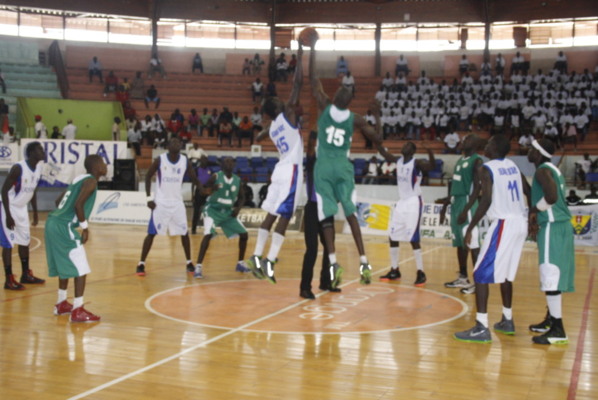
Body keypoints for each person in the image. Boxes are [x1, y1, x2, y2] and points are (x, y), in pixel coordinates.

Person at [309, 33, 382, 289]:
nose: (341, 87)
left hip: (324, 167)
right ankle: (363, 261)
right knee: (351, 215)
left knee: (326, 216)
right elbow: (379, 139)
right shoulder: (357, 119)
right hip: (343, 166)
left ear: (340, 97)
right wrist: (379, 116)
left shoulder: (324, 105)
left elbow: (312, 80)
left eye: (343, 89)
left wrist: (312, 49)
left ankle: (333, 261)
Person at [454, 135, 530, 343]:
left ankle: (481, 326)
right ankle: (507, 319)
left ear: (495, 147)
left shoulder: (487, 169)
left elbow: (485, 201)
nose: (485, 146)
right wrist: (531, 217)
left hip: (504, 223)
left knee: (479, 273)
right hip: (519, 223)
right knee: (505, 275)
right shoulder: (513, 166)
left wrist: (470, 227)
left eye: (488, 143)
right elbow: (528, 190)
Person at [246, 44, 305, 284]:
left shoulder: (271, 128)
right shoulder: (287, 114)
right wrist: (300, 56)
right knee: (284, 215)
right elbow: (298, 85)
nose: (284, 101)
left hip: (279, 170)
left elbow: (260, 135)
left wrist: (262, 132)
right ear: (278, 107)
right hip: (291, 170)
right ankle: (270, 261)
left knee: (270, 213)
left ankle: (256, 256)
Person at [45, 155, 107, 322]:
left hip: (52, 221)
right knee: (81, 268)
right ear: (96, 167)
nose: (105, 165)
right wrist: (85, 228)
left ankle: (61, 303)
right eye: (103, 163)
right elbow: (78, 205)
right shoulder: (91, 181)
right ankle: (78, 309)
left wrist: (63, 214)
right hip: (63, 226)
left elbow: (59, 201)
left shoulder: (79, 179)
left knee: (65, 264)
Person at [527, 139, 574, 344]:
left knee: (550, 274)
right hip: (561, 226)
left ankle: (558, 329)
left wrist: (534, 210)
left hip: (552, 227)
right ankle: (550, 319)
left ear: (538, 153)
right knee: (552, 274)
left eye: (531, 148)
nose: (528, 151)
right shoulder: (552, 169)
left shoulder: (541, 171)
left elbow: (552, 196)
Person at [136, 137, 199, 276]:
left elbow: (194, 178)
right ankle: (141, 264)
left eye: (178, 142)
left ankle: (189, 262)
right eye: (173, 142)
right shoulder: (160, 159)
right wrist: (148, 198)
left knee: (184, 233)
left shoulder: (185, 161)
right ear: (168, 146)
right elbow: (147, 177)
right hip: (161, 203)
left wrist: (204, 188)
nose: (176, 144)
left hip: (177, 203)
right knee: (151, 234)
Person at [377, 142, 435, 286]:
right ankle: (394, 269)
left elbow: (432, 166)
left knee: (413, 239)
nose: (403, 146)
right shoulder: (398, 160)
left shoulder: (417, 163)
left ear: (413, 150)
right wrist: (376, 139)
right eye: (403, 145)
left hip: (414, 201)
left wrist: (430, 152)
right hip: (402, 202)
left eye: (407, 146)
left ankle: (421, 272)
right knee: (392, 235)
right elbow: (384, 154)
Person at [300, 131, 341, 299]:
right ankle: (304, 287)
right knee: (312, 249)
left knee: (329, 247)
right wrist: (313, 137)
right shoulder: (312, 163)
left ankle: (325, 282)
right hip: (312, 209)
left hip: (326, 211)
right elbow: (310, 149)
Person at [439, 134, 483, 294]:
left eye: (468, 140)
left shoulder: (477, 161)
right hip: (456, 202)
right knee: (460, 243)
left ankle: (479, 283)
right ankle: (463, 277)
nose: (463, 141)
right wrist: (445, 205)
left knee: (472, 243)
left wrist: (466, 209)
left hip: (467, 204)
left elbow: (478, 189)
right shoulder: (460, 160)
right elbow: (455, 186)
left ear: (475, 144)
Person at [1, 142, 46, 290]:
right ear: (32, 152)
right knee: (8, 244)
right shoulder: (18, 168)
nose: (42, 151)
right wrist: (8, 215)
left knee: (25, 241)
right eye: (39, 149)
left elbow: (33, 191)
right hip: (8, 206)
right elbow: (4, 190)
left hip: (21, 209)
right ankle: (9, 279)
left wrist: (34, 212)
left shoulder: (39, 167)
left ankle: (25, 274)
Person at [194, 157, 249, 278]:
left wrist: (238, 208)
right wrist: (211, 189)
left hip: (228, 212)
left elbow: (242, 198)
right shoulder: (215, 177)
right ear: (222, 165)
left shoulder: (237, 180)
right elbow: (202, 191)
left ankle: (240, 263)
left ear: (234, 165)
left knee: (244, 234)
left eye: (231, 161)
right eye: (226, 161)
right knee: (208, 235)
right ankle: (198, 267)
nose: (229, 163)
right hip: (212, 210)